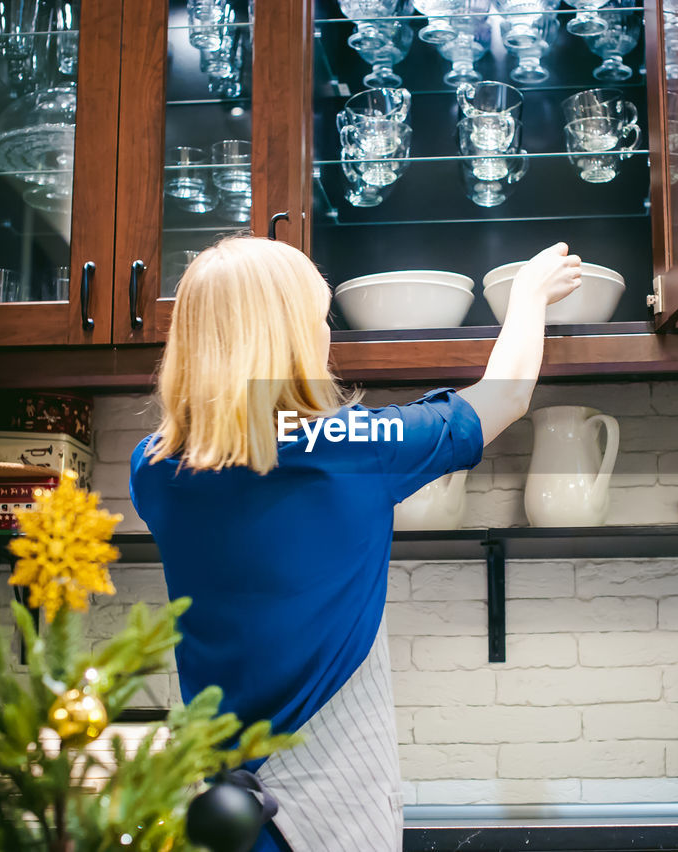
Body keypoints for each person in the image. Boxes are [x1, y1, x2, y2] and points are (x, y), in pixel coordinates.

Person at [129, 236, 581, 852]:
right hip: (321, 815)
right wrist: (528, 297)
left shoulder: (152, 470)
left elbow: (242, 434)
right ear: (287, 338)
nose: (326, 337)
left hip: (211, 815)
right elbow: (505, 395)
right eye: (317, 321)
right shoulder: (347, 447)